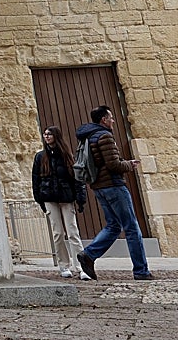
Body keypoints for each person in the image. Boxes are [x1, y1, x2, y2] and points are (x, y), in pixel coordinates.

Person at [75, 106, 154, 281]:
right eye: (110, 118)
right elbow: (113, 165)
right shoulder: (105, 136)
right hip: (114, 186)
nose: (113, 121)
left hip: (99, 187)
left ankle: (89, 255)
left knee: (113, 226)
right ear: (103, 119)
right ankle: (141, 271)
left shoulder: (88, 136)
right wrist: (129, 165)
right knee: (132, 228)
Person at [32, 126, 91, 280]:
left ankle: (81, 267)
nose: (47, 136)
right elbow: (36, 180)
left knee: (73, 233)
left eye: (49, 134)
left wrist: (80, 198)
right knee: (58, 233)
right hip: (49, 197)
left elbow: (77, 178)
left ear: (56, 136)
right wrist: (39, 199)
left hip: (66, 197)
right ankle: (63, 265)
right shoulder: (40, 157)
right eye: (45, 134)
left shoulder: (66, 156)